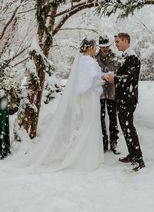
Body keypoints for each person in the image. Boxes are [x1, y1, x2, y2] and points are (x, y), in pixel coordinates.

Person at [26, 38, 104, 172]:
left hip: (89, 99)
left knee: (88, 124)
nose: (96, 49)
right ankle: (85, 157)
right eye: (94, 46)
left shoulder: (82, 61)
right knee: (89, 125)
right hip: (89, 98)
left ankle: (87, 155)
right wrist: (102, 80)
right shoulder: (88, 62)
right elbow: (86, 84)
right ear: (89, 47)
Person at [105, 33, 145, 172]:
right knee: (125, 127)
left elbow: (129, 77)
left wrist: (114, 79)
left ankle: (139, 159)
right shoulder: (124, 56)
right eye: (115, 42)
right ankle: (132, 154)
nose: (116, 44)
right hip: (122, 97)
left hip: (128, 98)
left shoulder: (132, 58)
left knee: (129, 127)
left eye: (118, 41)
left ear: (126, 41)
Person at [96, 35, 119, 154]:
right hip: (99, 93)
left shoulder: (115, 57)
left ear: (109, 46)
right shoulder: (94, 58)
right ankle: (103, 142)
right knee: (100, 118)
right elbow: (93, 73)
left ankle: (114, 142)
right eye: (102, 47)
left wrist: (113, 76)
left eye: (106, 47)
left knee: (113, 118)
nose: (104, 49)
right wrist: (101, 76)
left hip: (112, 92)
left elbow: (119, 72)